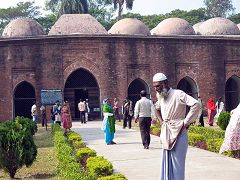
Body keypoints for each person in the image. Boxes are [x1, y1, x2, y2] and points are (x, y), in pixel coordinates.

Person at [153, 72, 200, 180]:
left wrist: (186, 122)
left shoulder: (178, 94)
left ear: (165, 83)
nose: (156, 89)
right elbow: (156, 108)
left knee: (177, 164)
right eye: (154, 86)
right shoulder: (161, 96)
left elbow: (195, 104)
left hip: (179, 131)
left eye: (158, 86)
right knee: (166, 160)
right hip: (166, 131)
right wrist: (161, 122)